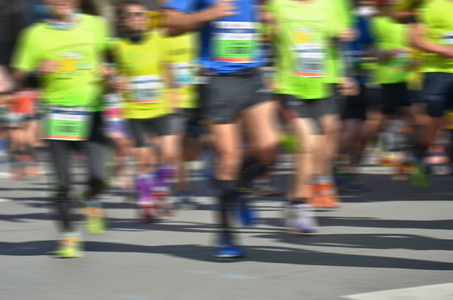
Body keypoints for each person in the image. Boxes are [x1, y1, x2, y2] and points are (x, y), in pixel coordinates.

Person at [164, 0, 280, 258]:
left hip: (252, 75)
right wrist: (210, 13)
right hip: (217, 80)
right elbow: (171, 23)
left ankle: (238, 186)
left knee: (270, 147)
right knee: (229, 157)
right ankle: (226, 233)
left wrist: (269, 22)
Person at [12, 0, 111, 258]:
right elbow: (19, 74)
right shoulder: (34, 34)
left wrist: (111, 74)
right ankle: (68, 236)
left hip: (92, 111)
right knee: (62, 182)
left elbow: (110, 59)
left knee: (100, 176)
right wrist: (37, 73)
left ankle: (90, 199)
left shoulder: (95, 25)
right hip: (56, 114)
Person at [111, 0, 179, 221]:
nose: (136, 18)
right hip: (135, 111)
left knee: (170, 155)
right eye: (130, 16)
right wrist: (116, 83)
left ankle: (160, 190)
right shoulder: (119, 47)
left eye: (140, 14)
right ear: (123, 21)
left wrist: (175, 93)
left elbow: (170, 68)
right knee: (145, 160)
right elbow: (114, 77)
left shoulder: (160, 39)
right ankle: (145, 204)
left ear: (146, 17)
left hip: (162, 107)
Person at [410, 0, 453, 187]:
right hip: (437, 72)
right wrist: (444, 50)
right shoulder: (431, 6)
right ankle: (419, 154)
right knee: (434, 124)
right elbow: (415, 39)